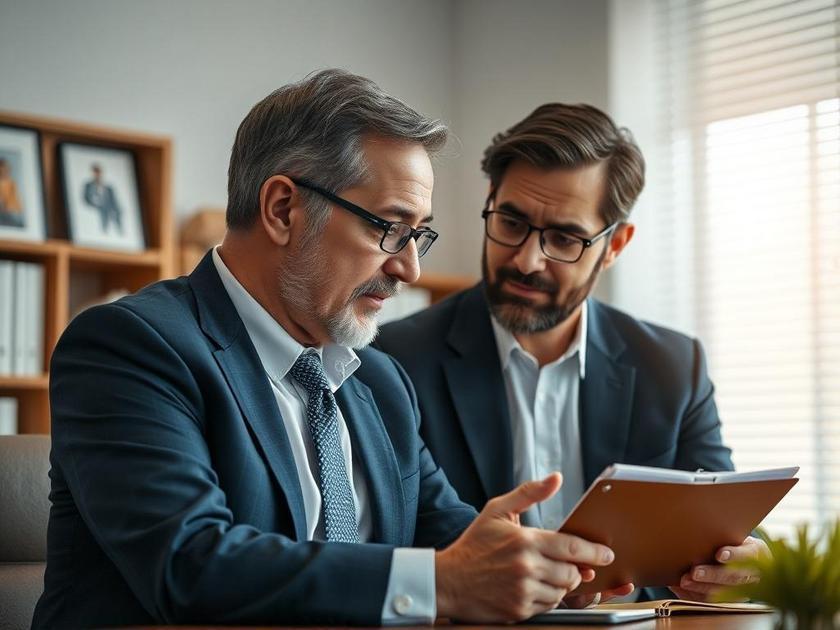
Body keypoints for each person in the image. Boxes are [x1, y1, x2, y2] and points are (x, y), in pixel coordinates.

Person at [32, 72, 624, 629]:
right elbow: (190, 566)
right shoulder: (131, 347)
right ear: (283, 209)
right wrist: (445, 583)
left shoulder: (381, 383)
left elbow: (453, 544)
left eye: (418, 234)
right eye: (388, 228)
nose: (409, 269)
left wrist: (545, 571)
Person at [376, 102, 768, 601]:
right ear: (490, 201)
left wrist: (745, 561)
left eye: (564, 238)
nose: (527, 260)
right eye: (511, 223)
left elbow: (729, 525)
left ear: (616, 245)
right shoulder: (394, 360)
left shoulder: (672, 366)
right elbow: (387, 548)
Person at [83, 163, 123, 234]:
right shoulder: (88, 186)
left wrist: (116, 209)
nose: (97, 174)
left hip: (110, 208)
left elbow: (114, 200)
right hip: (97, 208)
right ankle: (104, 231)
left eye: (99, 172)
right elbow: (86, 199)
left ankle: (119, 231)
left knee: (116, 214)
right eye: (95, 172)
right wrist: (95, 204)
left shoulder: (108, 187)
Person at [0, 157, 24, 227]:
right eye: (2, 170)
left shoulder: (12, 183)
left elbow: (16, 203)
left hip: (12, 213)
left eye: (6, 170)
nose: (5, 172)